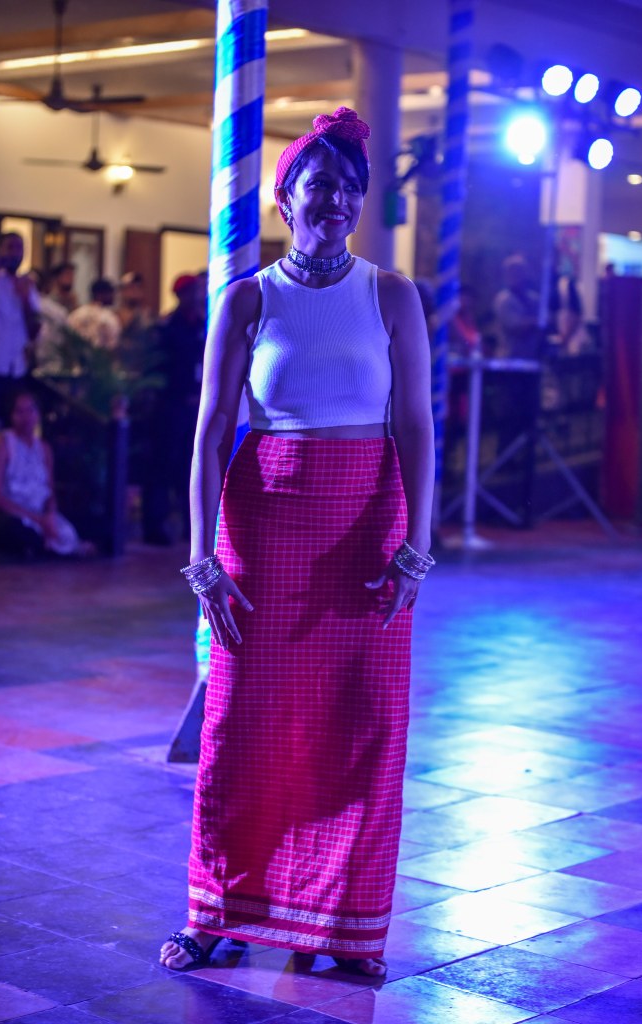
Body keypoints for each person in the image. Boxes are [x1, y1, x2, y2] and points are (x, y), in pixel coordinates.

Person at [160, 107, 435, 977]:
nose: (337, 202)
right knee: (242, 724)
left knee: (363, 727)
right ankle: (219, 910)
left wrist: (417, 545)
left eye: (351, 188)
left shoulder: (392, 294)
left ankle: (342, 925)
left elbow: (418, 427)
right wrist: (202, 560)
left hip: (368, 529)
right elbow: (211, 433)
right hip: (266, 524)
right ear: (286, 199)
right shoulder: (248, 298)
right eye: (320, 186)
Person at [0, 388, 93, 558]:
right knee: (12, 529)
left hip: (38, 512)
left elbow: (49, 491)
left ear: (38, 414)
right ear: (11, 415)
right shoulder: (0, 444)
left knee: (74, 528)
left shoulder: (44, 448)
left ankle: (44, 546)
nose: (26, 417)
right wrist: (37, 520)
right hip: (9, 514)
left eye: (31, 410)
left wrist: (49, 515)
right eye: (20, 411)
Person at [142, 274, 206, 545]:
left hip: (196, 407)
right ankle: (155, 526)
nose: (198, 296)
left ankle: (190, 526)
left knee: (190, 467)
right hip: (172, 408)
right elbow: (159, 369)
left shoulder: (204, 324)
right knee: (163, 465)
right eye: (192, 291)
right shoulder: (168, 328)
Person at [0, 233, 41, 423]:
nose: (15, 253)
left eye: (19, 248)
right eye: (10, 247)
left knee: (13, 424)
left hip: (17, 368)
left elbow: (34, 331)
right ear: (0, 250)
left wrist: (25, 300)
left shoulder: (28, 287)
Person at [493, 254, 540, 359]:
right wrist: (538, 321)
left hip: (532, 356)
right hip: (509, 359)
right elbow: (516, 326)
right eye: (513, 272)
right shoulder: (503, 300)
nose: (517, 276)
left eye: (520, 271)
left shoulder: (534, 298)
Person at [67, 278, 120, 351]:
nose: (114, 296)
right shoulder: (108, 318)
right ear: (100, 294)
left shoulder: (76, 314)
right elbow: (112, 347)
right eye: (110, 293)